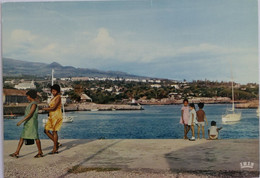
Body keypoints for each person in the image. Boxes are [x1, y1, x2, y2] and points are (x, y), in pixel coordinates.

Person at [9, 90, 43, 158]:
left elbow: (30, 114)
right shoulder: (31, 103)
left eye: (27, 96)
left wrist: (21, 121)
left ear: (30, 96)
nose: (27, 97)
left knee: (35, 137)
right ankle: (17, 152)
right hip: (28, 122)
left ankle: (40, 152)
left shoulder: (34, 104)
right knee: (22, 137)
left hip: (32, 123)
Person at [43, 84, 63, 154]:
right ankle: (56, 143)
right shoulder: (53, 98)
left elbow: (54, 108)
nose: (53, 92)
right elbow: (50, 107)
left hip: (56, 115)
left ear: (57, 91)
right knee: (46, 130)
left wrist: (44, 109)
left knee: (54, 131)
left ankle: (55, 148)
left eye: (54, 91)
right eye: (52, 91)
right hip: (51, 115)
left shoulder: (58, 97)